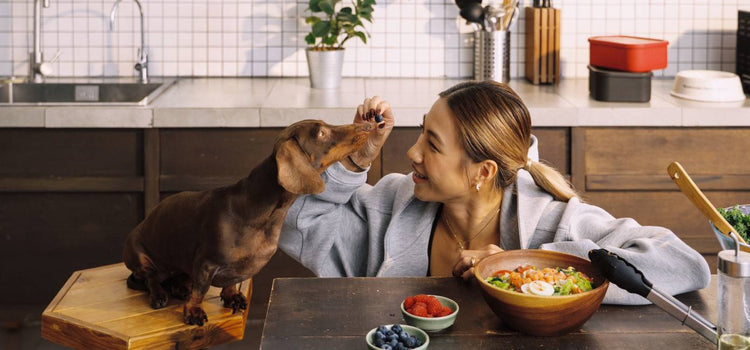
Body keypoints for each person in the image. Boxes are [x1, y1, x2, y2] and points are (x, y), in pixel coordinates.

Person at [278, 80, 710, 305]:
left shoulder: (551, 218)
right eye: (420, 134)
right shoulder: (393, 202)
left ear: (481, 172)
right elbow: (295, 224)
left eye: (432, 143)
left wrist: (525, 266)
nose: (410, 152)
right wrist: (355, 158)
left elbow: (684, 264)